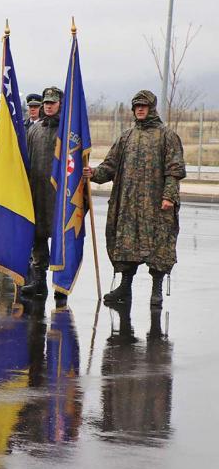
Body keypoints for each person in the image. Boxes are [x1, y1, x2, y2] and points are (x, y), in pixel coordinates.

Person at [84, 90, 185, 307]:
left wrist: (169, 196)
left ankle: (156, 289)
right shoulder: (126, 137)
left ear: (151, 108)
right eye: (136, 106)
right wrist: (93, 174)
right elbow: (110, 166)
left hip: (156, 205)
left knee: (158, 246)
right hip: (128, 204)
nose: (140, 109)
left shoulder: (167, 136)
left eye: (144, 106)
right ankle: (124, 287)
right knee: (126, 245)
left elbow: (174, 171)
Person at [20, 87, 65, 302]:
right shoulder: (34, 130)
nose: (48, 106)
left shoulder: (67, 132)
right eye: (46, 102)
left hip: (58, 195)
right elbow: (26, 161)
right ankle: (39, 279)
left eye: (52, 103)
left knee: (60, 239)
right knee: (38, 237)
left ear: (60, 105)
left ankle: (62, 283)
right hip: (36, 191)